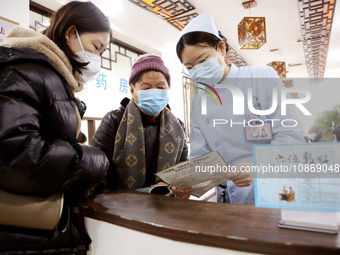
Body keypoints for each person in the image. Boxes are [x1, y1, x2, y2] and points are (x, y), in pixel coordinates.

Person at [0, 1, 111, 254]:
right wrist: (95, 162)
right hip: (20, 233)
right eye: (97, 47)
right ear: (71, 33)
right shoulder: (22, 71)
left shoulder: (54, 79)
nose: (98, 58)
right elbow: (17, 155)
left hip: (38, 235)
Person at [176, 13, 306, 204]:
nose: (197, 69)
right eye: (190, 67)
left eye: (202, 61)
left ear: (221, 48)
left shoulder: (261, 77)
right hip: (228, 199)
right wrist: (188, 182)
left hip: (274, 190)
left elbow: (290, 136)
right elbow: (201, 158)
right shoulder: (199, 103)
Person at [91, 54, 192, 198]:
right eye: (146, 88)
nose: (154, 92)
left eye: (160, 87)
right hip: (122, 206)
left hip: (166, 206)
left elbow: (182, 170)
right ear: (133, 90)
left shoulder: (178, 126)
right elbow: (97, 169)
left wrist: (182, 188)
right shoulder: (114, 120)